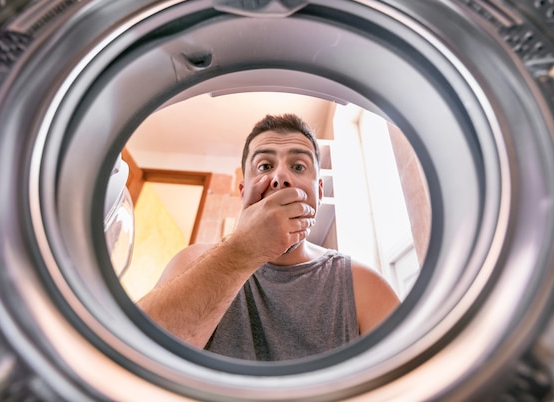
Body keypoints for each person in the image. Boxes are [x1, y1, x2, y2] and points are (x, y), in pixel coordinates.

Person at [137, 113, 400, 361]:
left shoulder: (363, 286)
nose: (280, 177)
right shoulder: (191, 261)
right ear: (243, 191)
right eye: (264, 166)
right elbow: (141, 354)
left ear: (319, 192)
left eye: (298, 166)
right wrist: (243, 249)